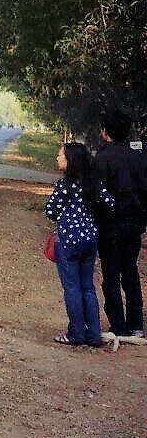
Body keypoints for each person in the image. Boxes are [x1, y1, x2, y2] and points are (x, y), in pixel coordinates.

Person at [45, 142, 114, 346]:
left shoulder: (64, 185)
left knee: (72, 288)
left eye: (60, 156)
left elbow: (50, 210)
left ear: (70, 161)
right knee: (88, 288)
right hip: (89, 240)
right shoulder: (94, 183)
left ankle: (76, 333)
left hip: (67, 241)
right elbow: (110, 204)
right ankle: (93, 335)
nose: (57, 158)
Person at [92, 109, 147, 337]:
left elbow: (95, 195)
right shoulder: (140, 158)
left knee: (111, 274)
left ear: (104, 132)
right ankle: (136, 326)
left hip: (110, 225)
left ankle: (118, 326)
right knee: (131, 272)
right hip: (134, 224)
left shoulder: (100, 160)